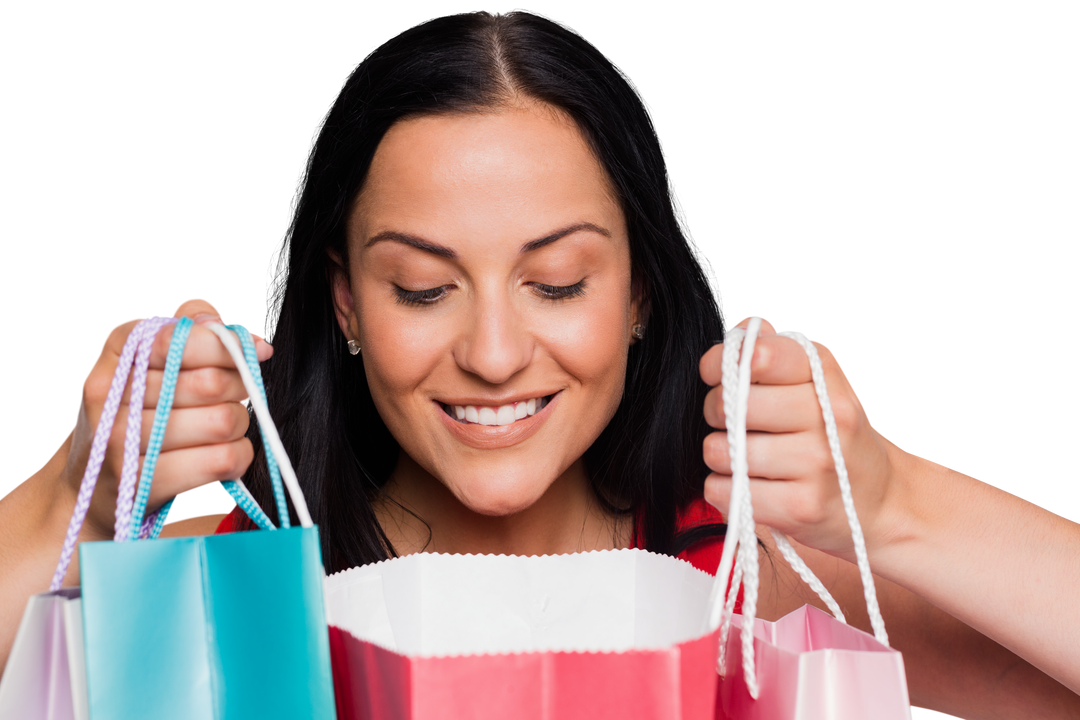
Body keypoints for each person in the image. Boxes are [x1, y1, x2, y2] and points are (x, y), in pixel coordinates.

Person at [2, 8, 1077, 718]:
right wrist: (73, 499)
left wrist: (894, 505)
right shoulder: (220, 589)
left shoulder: (747, 588)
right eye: (422, 287)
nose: (494, 352)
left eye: (557, 281)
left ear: (640, 292)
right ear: (345, 302)